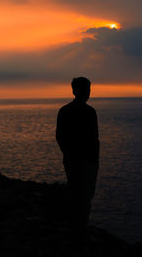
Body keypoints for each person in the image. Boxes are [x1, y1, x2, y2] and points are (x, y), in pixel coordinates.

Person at [56, 77, 99, 238]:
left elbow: (59, 136)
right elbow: (94, 139)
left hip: (72, 160)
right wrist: (95, 161)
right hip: (87, 160)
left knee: (75, 193)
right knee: (85, 195)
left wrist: (67, 153)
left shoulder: (64, 110)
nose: (88, 93)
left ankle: (75, 227)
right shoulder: (89, 112)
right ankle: (80, 229)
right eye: (87, 89)